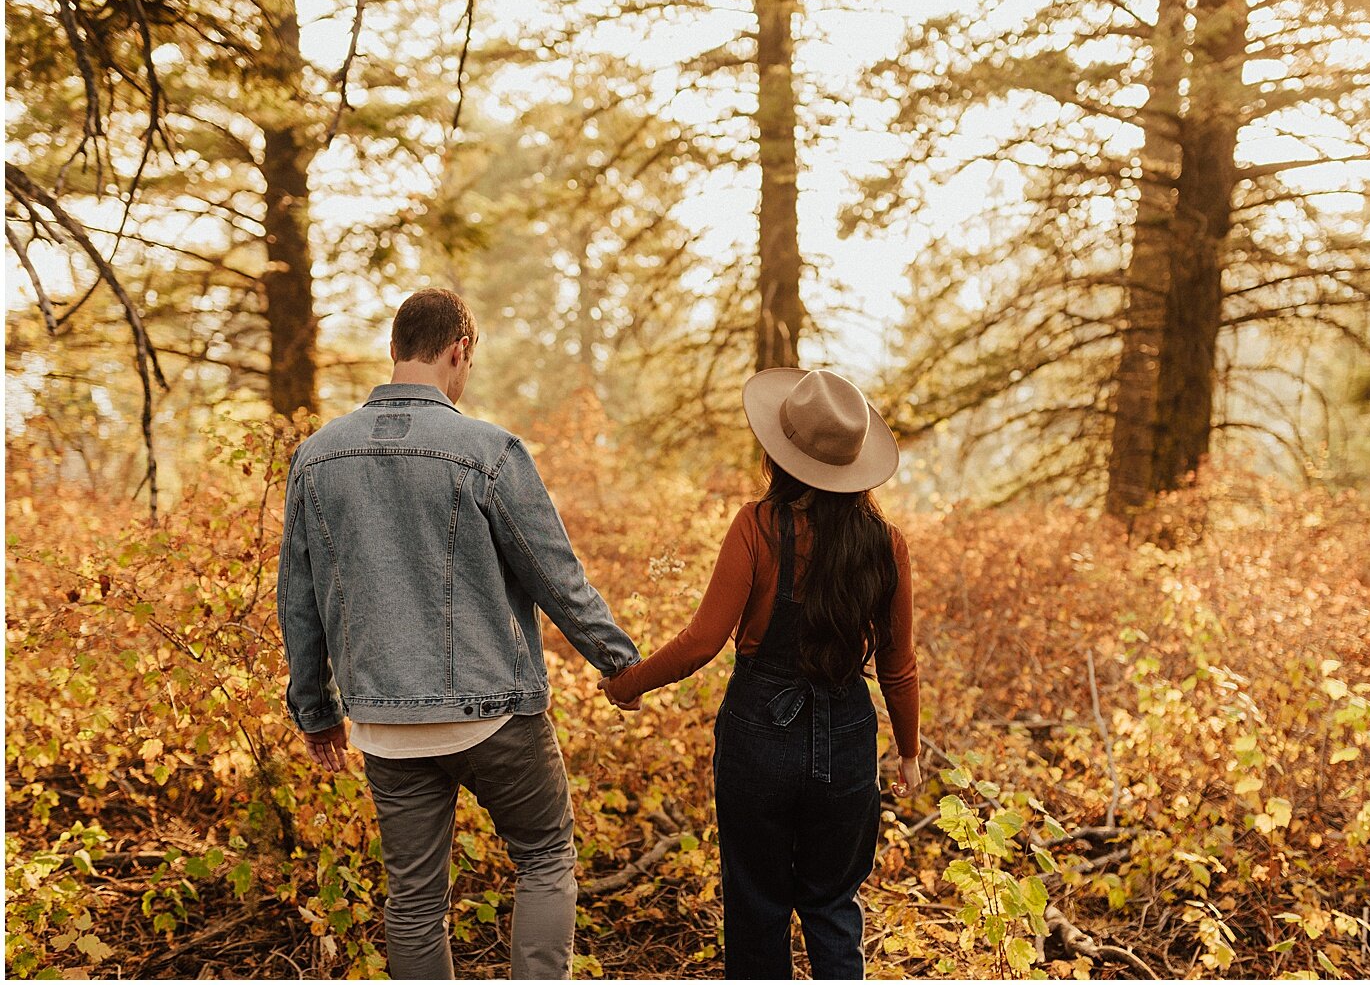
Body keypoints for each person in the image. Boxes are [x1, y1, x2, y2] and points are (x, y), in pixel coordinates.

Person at [275, 288, 641, 980]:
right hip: (493, 712)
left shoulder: (317, 456)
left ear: (393, 350)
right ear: (459, 349)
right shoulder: (489, 450)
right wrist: (619, 663)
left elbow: (297, 597)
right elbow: (556, 578)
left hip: (383, 720)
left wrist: (315, 710)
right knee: (544, 855)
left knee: (412, 899)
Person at [600, 367, 922, 979]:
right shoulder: (886, 543)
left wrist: (628, 683)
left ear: (782, 452)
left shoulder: (756, 527)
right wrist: (907, 753)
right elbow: (898, 666)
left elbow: (701, 642)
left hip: (758, 736)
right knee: (832, 907)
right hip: (848, 738)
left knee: (756, 906)